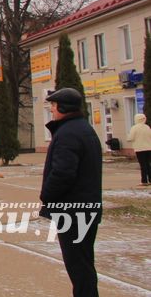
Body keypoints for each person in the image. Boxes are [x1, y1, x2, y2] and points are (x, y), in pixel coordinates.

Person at [39, 88, 102, 297]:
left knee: (79, 266)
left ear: (63, 108)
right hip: (83, 207)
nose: (52, 110)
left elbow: (63, 173)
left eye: (54, 106)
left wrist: (46, 195)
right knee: (82, 263)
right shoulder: (82, 128)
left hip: (74, 211)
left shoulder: (68, 133)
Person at [126, 113, 151, 185]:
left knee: (143, 165)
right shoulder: (147, 127)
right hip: (149, 148)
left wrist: (129, 136)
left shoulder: (134, 128)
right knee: (148, 164)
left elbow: (130, 138)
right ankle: (150, 179)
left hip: (139, 149)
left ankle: (144, 181)